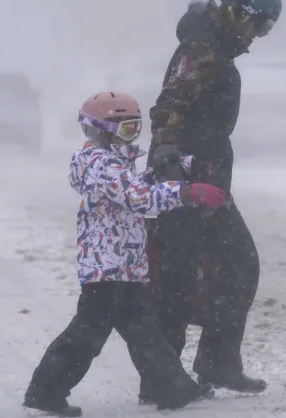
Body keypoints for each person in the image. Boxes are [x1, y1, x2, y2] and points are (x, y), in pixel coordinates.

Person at [23, 91, 228, 416]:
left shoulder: (113, 163)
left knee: (144, 329)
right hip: (106, 268)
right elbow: (136, 198)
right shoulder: (100, 163)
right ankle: (46, 390)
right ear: (101, 130)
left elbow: (133, 186)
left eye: (135, 128)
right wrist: (186, 192)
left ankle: (173, 389)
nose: (131, 136)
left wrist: (168, 169)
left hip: (125, 265)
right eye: (125, 130)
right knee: (87, 334)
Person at [143, 0, 282, 400]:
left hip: (210, 182)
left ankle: (217, 361)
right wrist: (167, 157)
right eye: (258, 24)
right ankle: (161, 381)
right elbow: (170, 103)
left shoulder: (217, 48)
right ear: (236, 12)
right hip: (182, 180)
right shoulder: (201, 48)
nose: (258, 35)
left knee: (239, 264)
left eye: (266, 28)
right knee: (176, 279)